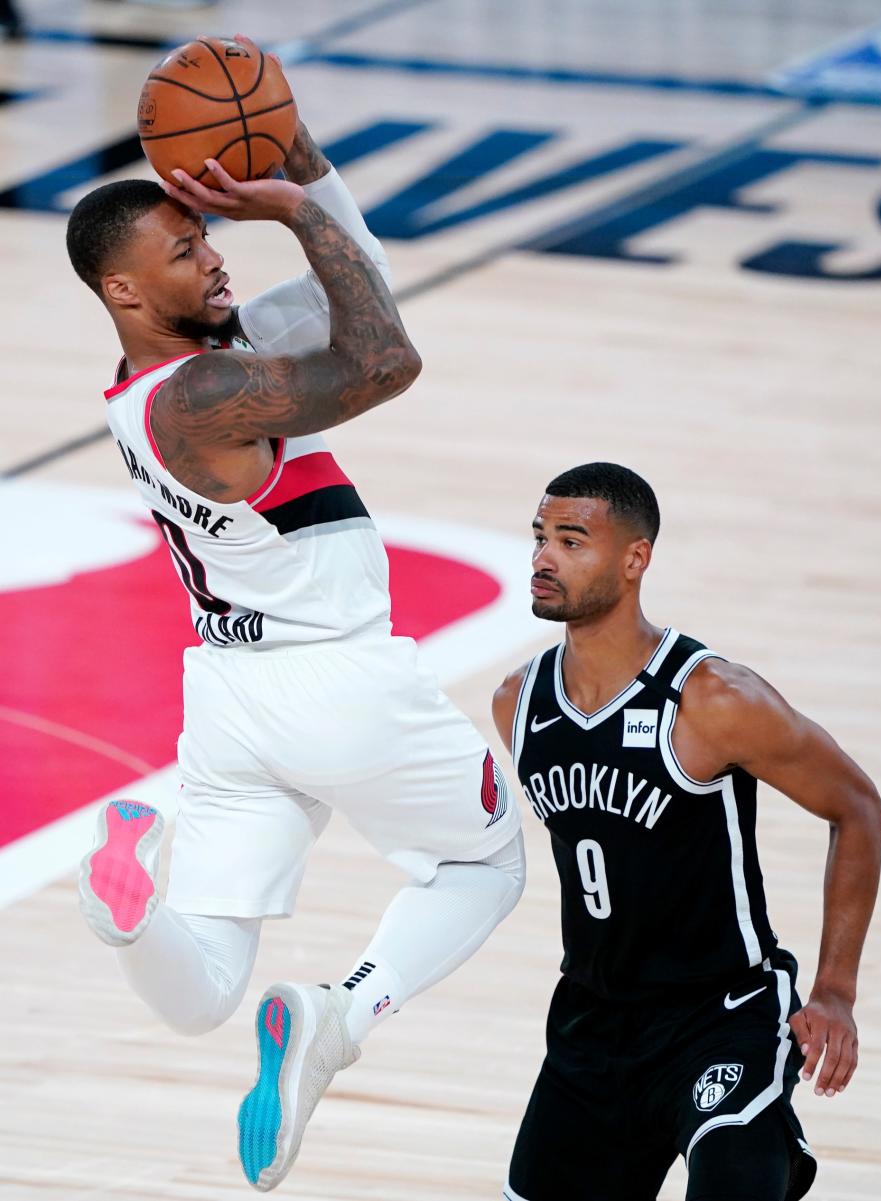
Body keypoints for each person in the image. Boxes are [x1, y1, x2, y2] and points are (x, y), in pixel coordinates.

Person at [66, 72, 524, 1194]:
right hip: (336, 687)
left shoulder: (158, 384)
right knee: (488, 860)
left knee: (207, 985)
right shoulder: (206, 397)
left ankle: (123, 902)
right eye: (185, 249)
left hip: (230, 699)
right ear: (125, 290)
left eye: (205, 229)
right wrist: (300, 214)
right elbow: (385, 360)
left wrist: (301, 153)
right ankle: (340, 1014)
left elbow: (354, 289)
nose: (214, 253)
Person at [492, 462, 881, 1201]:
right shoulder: (519, 701)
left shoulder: (711, 698)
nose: (544, 557)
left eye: (572, 541)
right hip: (591, 1020)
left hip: (719, 1017)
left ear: (635, 559)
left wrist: (834, 989)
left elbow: (858, 806)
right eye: (540, 537)